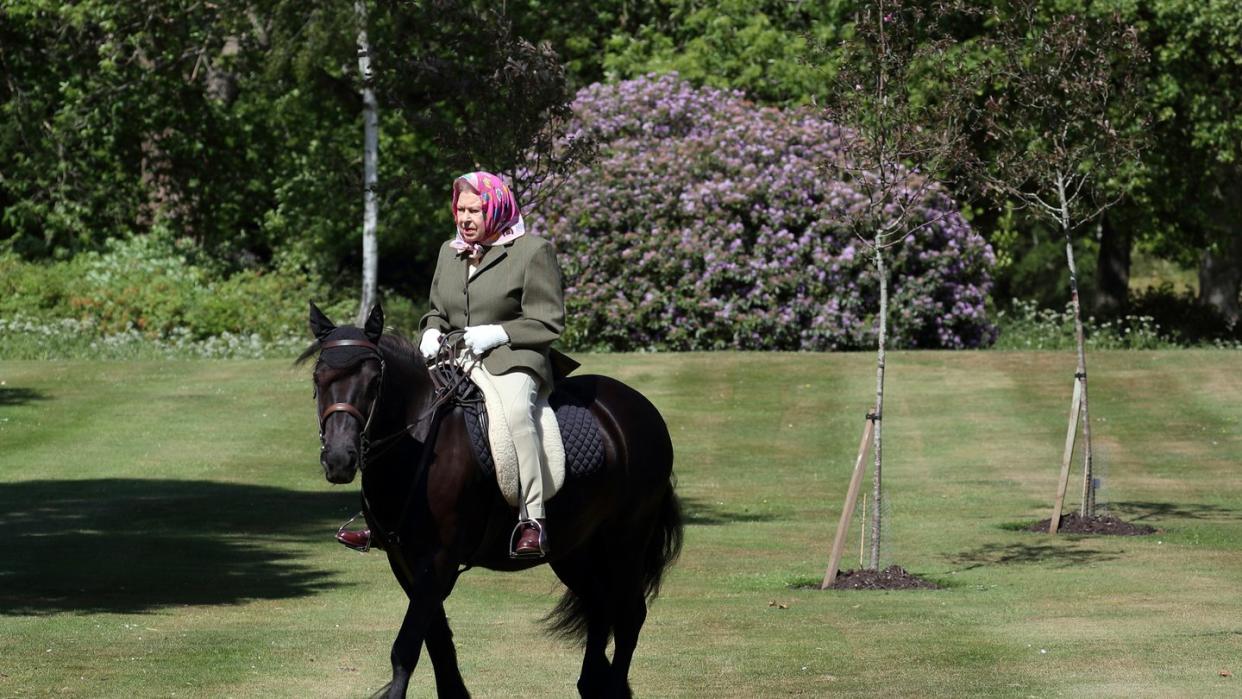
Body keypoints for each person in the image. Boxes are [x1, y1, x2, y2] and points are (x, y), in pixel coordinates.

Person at [336, 171, 565, 558]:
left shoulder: (533, 251)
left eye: (474, 209)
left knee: (515, 415)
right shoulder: (450, 250)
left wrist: (498, 333)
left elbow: (548, 321)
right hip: (454, 357)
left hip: (513, 357)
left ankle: (532, 519)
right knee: (398, 410)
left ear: (496, 207)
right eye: (460, 210)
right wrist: (430, 330)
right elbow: (437, 311)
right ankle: (377, 519)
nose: (465, 218)